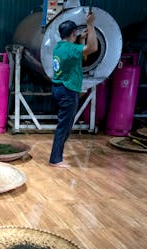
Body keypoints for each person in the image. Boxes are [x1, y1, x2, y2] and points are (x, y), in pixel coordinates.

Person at [49, 11, 98, 168]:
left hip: (59, 88)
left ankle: (57, 156)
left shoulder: (59, 47)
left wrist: (80, 38)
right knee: (64, 127)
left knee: (64, 125)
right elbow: (93, 47)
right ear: (73, 33)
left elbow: (73, 54)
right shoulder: (71, 49)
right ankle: (55, 160)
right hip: (67, 91)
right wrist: (90, 25)